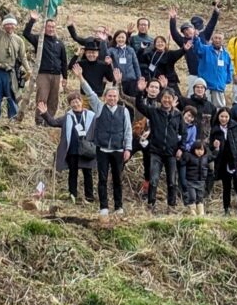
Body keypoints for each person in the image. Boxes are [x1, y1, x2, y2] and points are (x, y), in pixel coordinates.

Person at [79, 72, 133, 217]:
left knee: (117, 179)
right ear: (105, 97)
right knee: (102, 179)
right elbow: (90, 94)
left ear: (118, 98)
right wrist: (81, 78)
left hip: (118, 149)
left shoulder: (124, 111)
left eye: (115, 96)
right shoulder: (99, 107)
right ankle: (103, 206)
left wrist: (128, 148)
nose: (112, 98)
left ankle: (118, 206)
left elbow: (128, 130)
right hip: (102, 149)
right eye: (110, 96)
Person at [135, 82, 185, 214]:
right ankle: (151, 204)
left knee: (171, 181)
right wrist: (140, 92)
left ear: (173, 100)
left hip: (171, 152)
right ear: (160, 98)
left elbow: (182, 133)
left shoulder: (178, 115)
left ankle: (171, 206)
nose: (167, 100)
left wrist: (181, 148)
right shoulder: (154, 112)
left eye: (169, 98)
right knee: (154, 179)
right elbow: (139, 105)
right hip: (156, 151)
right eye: (164, 97)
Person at [39, 93, 96, 204]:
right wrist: (45, 113)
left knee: (87, 174)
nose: (75, 103)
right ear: (70, 104)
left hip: (87, 150)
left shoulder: (91, 115)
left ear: (81, 101)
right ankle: (72, 196)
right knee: (72, 174)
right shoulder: (67, 117)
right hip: (72, 150)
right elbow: (53, 122)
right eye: (72, 102)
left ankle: (89, 197)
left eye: (77, 101)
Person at [23, 12, 70, 124]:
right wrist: (32, 20)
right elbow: (26, 34)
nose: (51, 29)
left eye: (53, 27)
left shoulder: (60, 44)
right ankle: (39, 121)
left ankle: (49, 121)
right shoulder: (39, 39)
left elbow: (64, 61)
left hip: (56, 75)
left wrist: (65, 77)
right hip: (43, 74)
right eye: (49, 27)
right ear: (45, 27)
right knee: (42, 97)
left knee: (53, 99)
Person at [0, 6, 29, 120]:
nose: (9, 26)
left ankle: (13, 119)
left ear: (15, 26)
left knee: (12, 96)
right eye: (7, 24)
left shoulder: (19, 40)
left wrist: (29, 70)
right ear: (4, 25)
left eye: (12, 24)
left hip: (10, 72)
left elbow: (23, 56)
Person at [169, 4, 220, 95]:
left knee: (206, 95)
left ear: (193, 28)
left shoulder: (203, 35)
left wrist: (215, 12)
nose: (187, 32)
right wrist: (173, 19)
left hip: (206, 72)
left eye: (188, 29)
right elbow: (174, 33)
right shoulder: (184, 42)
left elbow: (211, 24)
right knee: (191, 95)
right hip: (193, 73)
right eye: (184, 32)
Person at [210, 108, 237, 216]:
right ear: (218, 117)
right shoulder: (215, 129)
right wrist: (214, 146)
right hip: (222, 161)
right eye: (222, 116)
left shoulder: (235, 127)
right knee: (226, 186)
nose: (224, 119)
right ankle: (226, 209)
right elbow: (210, 147)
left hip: (235, 159)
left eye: (226, 117)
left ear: (229, 117)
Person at [194, 32, 234, 108]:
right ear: (212, 39)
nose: (217, 40)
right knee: (205, 109)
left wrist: (226, 80)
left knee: (219, 109)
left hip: (218, 87)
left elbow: (230, 69)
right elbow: (197, 49)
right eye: (215, 38)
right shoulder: (205, 49)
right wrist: (196, 38)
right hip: (206, 87)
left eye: (219, 38)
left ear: (223, 40)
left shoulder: (226, 54)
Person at [107, 30, 141, 97]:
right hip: (119, 80)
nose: (121, 39)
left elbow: (136, 65)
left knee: (132, 101)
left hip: (132, 80)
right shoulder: (111, 50)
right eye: (119, 37)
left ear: (126, 39)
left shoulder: (130, 50)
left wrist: (139, 78)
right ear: (115, 39)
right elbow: (106, 56)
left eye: (123, 37)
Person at [182, 141, 211, 216]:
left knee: (200, 197)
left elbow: (214, 156)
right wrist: (183, 154)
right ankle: (192, 212)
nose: (199, 152)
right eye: (197, 149)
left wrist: (217, 149)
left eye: (201, 150)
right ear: (193, 149)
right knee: (192, 197)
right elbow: (182, 161)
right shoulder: (189, 156)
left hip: (201, 181)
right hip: (191, 181)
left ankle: (201, 212)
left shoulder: (206, 157)